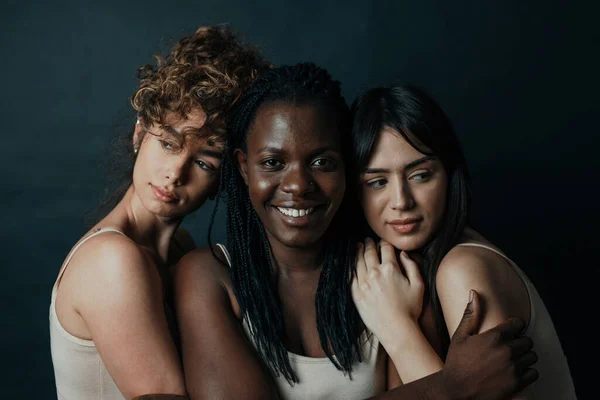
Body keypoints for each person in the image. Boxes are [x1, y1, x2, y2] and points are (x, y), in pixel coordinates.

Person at [174, 63, 538, 399]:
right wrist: (449, 386)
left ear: (346, 168)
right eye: (272, 162)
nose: (299, 185)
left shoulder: (387, 274)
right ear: (243, 167)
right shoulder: (209, 277)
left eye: (322, 162)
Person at [49, 25, 268, 399]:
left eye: (204, 162)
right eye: (168, 143)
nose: (175, 173)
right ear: (139, 135)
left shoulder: (180, 247)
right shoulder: (111, 261)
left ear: (224, 178)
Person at [349, 84, 576, 399]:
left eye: (420, 175)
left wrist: (396, 327)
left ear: (448, 174)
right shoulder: (402, 273)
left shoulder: (462, 269)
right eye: (377, 182)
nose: (400, 201)